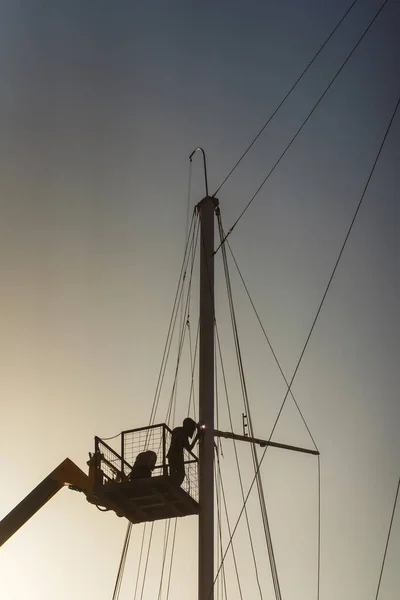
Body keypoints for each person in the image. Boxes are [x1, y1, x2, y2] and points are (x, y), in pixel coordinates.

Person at [167, 418, 199, 486]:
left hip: (172, 455)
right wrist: (196, 437)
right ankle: (175, 487)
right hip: (177, 456)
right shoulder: (183, 433)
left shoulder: (177, 430)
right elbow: (189, 448)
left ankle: (173, 486)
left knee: (174, 473)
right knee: (180, 474)